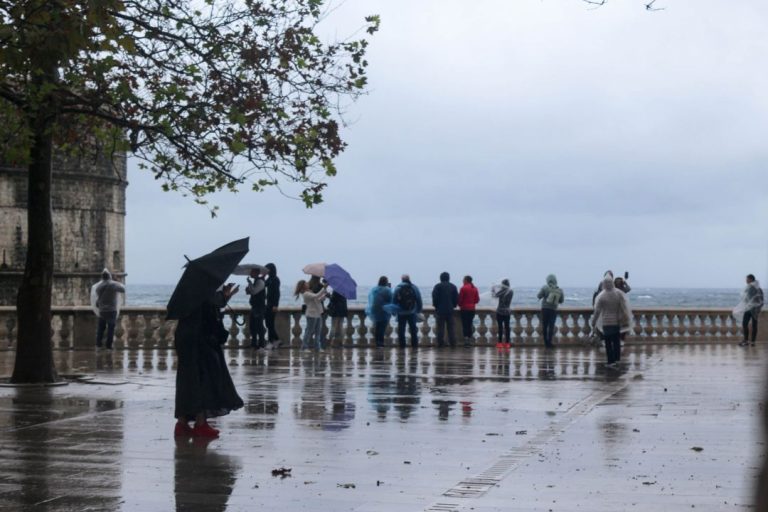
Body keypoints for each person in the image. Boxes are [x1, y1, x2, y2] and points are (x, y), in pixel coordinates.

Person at [174, 283, 244, 438]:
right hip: (201, 342)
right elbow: (210, 316)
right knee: (204, 380)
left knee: (187, 380)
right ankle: (200, 423)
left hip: (184, 339)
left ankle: (182, 422)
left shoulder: (186, 294)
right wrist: (224, 297)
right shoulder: (204, 294)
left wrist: (225, 297)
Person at [592, 276, 631, 367]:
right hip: (616, 322)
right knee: (616, 342)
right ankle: (617, 359)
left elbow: (597, 311)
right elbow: (624, 307)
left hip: (606, 323)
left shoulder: (602, 296)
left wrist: (593, 322)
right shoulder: (618, 294)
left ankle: (611, 361)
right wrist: (626, 319)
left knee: (608, 343)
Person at [91, 269, 126, 350]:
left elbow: (97, 296)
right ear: (109, 276)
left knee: (100, 329)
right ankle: (108, 346)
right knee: (111, 329)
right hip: (111, 310)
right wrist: (117, 281)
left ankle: (98, 345)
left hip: (102, 311)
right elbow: (123, 290)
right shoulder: (113, 285)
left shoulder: (98, 287)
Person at [295, 279, 328, 350]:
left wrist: (323, 296)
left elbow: (317, 300)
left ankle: (317, 347)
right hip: (311, 314)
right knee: (309, 331)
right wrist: (324, 288)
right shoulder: (306, 294)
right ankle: (304, 347)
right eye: (306, 283)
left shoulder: (310, 292)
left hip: (318, 313)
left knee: (318, 332)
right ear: (303, 286)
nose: (308, 283)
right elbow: (316, 296)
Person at [393, 274, 422, 349]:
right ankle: (414, 345)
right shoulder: (414, 287)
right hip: (412, 312)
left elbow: (394, 301)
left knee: (401, 330)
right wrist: (419, 310)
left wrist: (394, 311)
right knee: (413, 329)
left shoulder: (398, 288)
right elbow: (418, 299)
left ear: (401, 279)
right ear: (409, 279)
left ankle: (402, 346)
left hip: (401, 312)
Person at [537, 274, 564, 349]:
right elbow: (561, 300)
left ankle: (546, 342)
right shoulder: (559, 290)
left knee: (545, 326)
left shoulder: (545, 288)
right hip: (553, 310)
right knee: (551, 326)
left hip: (545, 309)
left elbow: (538, 296)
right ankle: (550, 342)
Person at [431, 272, 458, 347]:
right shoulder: (453, 286)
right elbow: (456, 298)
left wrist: (436, 306)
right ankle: (453, 343)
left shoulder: (437, 286)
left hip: (440, 310)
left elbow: (435, 298)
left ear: (440, 278)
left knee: (440, 328)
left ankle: (440, 343)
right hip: (450, 310)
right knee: (451, 328)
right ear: (449, 278)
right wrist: (454, 305)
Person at [366, 276, 393, 348]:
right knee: (382, 328)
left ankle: (377, 342)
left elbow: (370, 299)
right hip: (383, 311)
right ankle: (380, 343)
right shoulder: (387, 290)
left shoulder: (374, 289)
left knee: (377, 327)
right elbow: (391, 300)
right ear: (386, 282)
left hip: (374, 311)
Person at [739, 274, 763, 346]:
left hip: (752, 309)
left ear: (751, 279)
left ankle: (748, 341)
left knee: (746, 324)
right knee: (752, 325)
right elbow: (760, 300)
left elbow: (758, 299)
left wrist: (756, 308)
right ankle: (751, 341)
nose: (746, 280)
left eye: (747, 279)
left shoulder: (752, 288)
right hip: (751, 309)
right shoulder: (757, 288)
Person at [245, 267, 266, 349]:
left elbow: (254, 291)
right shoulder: (256, 281)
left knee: (259, 326)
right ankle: (254, 343)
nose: (250, 273)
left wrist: (250, 283)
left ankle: (261, 344)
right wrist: (248, 290)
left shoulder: (260, 281)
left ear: (256, 273)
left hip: (259, 307)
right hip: (254, 307)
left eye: (252, 272)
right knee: (252, 326)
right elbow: (253, 292)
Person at [458, 275, 480, 347]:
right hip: (472, 309)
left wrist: (460, 304)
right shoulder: (475, 288)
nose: (462, 281)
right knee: (470, 324)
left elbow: (460, 300)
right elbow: (477, 300)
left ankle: (466, 340)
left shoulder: (463, 288)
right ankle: (470, 339)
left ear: (466, 280)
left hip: (464, 309)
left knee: (465, 325)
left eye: (463, 280)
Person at [491, 279, 514, 348]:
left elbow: (494, 295)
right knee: (507, 327)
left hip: (500, 312)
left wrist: (493, 288)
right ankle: (507, 343)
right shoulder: (511, 291)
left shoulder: (502, 291)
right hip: (507, 312)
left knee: (500, 328)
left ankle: (500, 343)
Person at [264, 263, 281, 348]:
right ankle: (276, 340)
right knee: (268, 324)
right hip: (268, 304)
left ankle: (271, 342)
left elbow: (277, 293)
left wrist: (275, 305)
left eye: (267, 269)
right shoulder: (269, 279)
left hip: (272, 305)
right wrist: (262, 277)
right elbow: (263, 285)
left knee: (270, 324)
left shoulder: (275, 279)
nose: (266, 271)